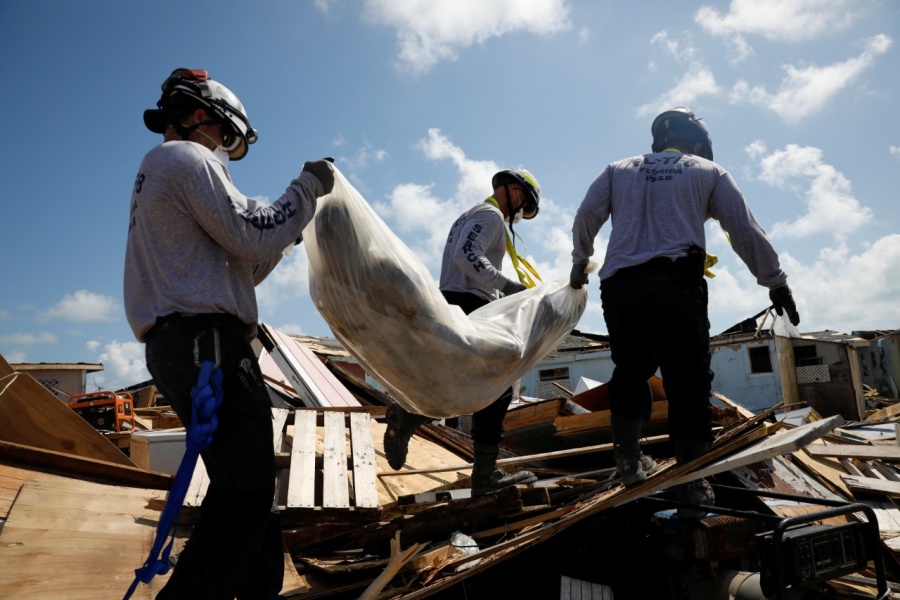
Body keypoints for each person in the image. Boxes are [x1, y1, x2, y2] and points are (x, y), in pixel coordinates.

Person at [124, 68, 334, 599]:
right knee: (246, 491)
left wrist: (284, 236)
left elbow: (242, 261)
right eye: (225, 135)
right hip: (208, 345)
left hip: (187, 345)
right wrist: (305, 188)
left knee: (247, 489)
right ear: (200, 117)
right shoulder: (186, 158)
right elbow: (249, 232)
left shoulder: (159, 172)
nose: (223, 147)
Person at [569, 107, 800, 518]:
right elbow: (744, 230)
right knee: (688, 379)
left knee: (630, 368)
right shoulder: (708, 172)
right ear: (696, 145)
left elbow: (587, 215)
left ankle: (628, 459)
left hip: (621, 286)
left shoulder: (617, 169)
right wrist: (775, 282)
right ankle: (691, 483)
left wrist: (579, 261)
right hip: (677, 281)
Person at [383, 168, 542, 497]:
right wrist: (506, 284)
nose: (520, 207)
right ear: (513, 191)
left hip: (453, 302)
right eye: (523, 200)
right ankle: (484, 476)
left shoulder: (471, 214)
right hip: (471, 306)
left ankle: (410, 416)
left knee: (462, 383)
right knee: (497, 387)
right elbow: (466, 255)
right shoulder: (491, 216)